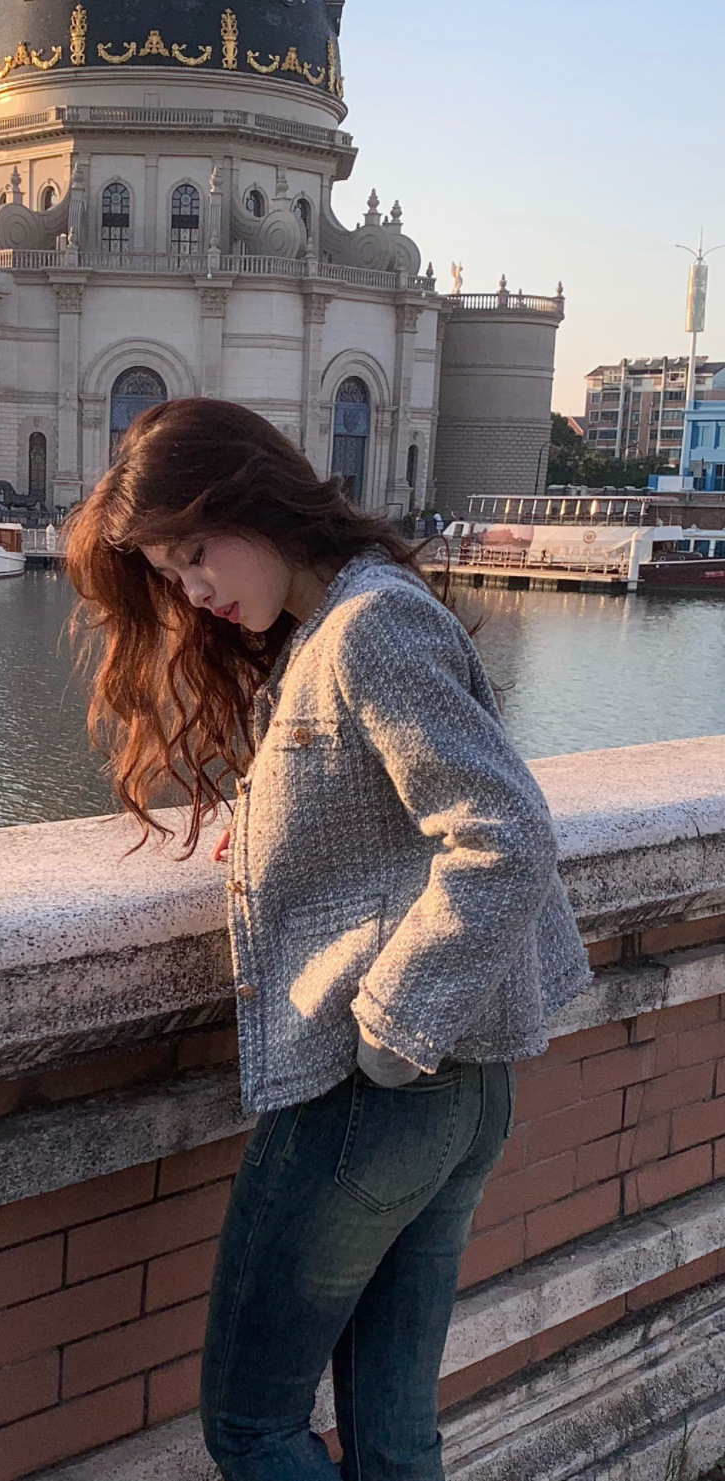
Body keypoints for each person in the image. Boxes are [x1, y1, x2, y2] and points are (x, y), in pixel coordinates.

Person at [65, 400, 591, 1481]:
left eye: (195, 553)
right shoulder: (344, 619)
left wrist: (392, 1027)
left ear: (255, 497)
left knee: (253, 1426)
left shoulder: (367, 627)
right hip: (458, 1088)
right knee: (392, 1437)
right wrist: (272, 831)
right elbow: (388, 813)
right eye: (169, 572)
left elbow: (503, 833)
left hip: (377, 1093)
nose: (191, 591)